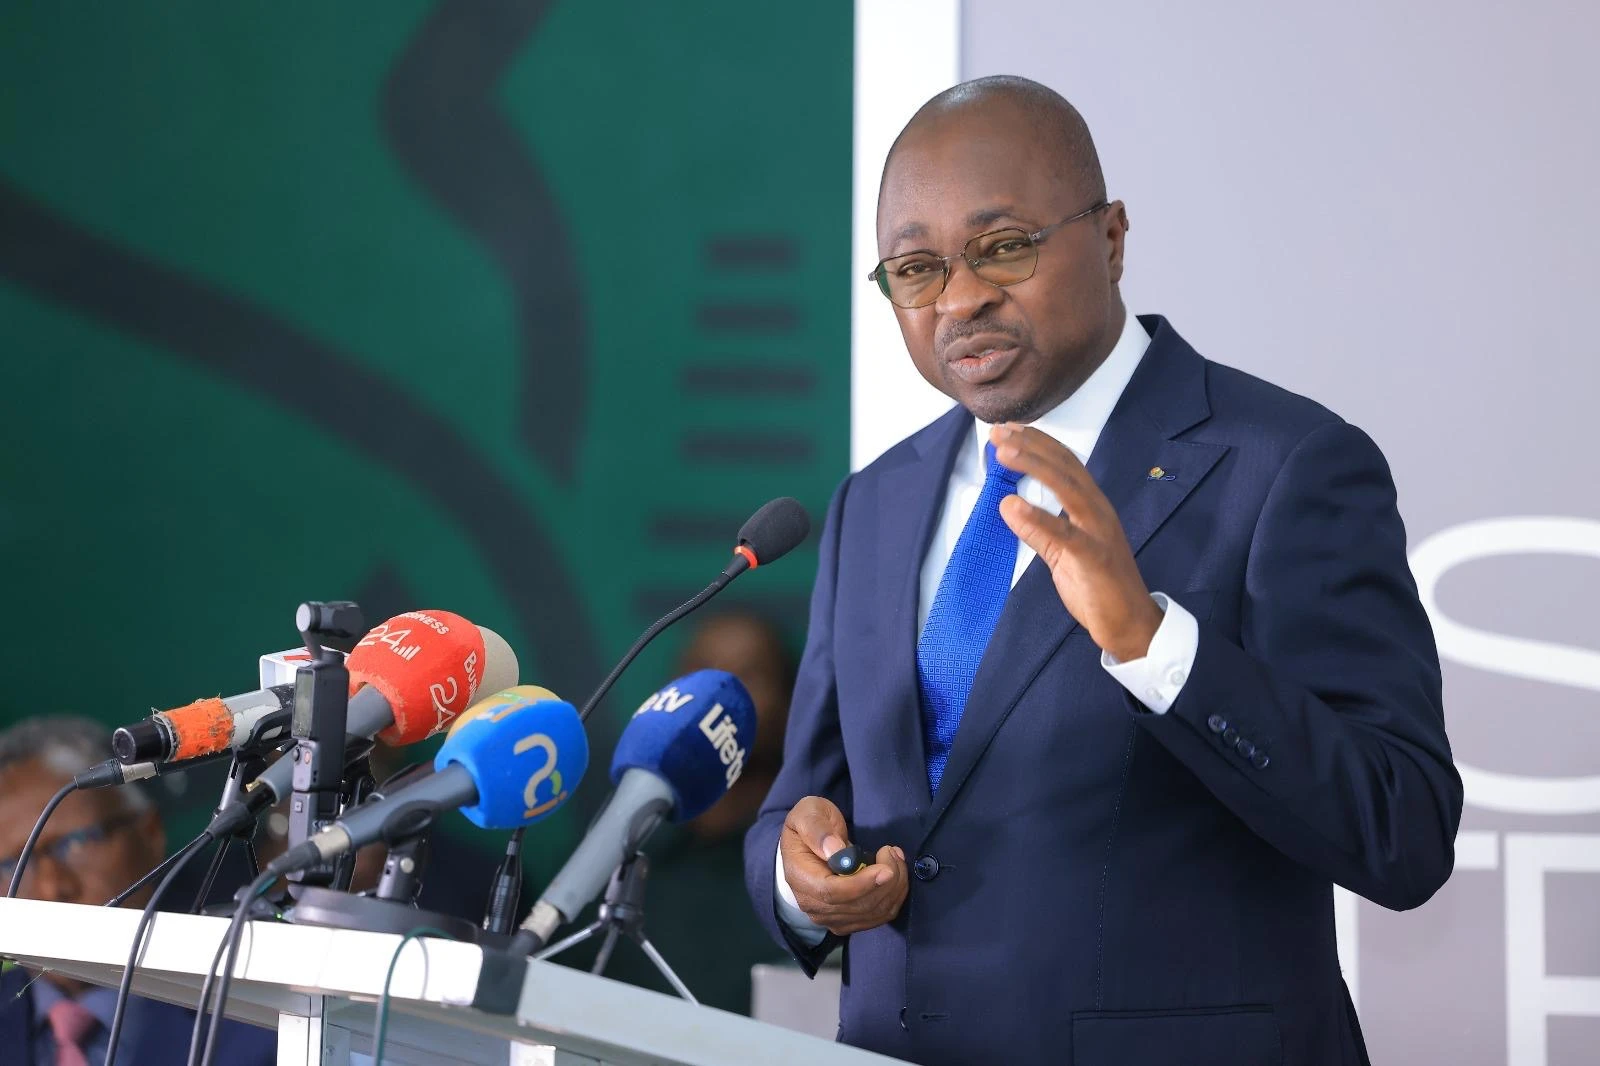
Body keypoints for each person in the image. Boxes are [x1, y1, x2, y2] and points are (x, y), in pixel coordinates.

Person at [743, 76, 1461, 1066]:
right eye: (914, 268)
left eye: (1004, 246)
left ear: (1112, 237)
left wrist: (1153, 644)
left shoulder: (1285, 465)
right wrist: (798, 877)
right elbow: (802, 800)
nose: (959, 298)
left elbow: (1401, 826)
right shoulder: (875, 501)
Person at [0, 716, 277, 1066]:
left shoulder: (266, 1023)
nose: (52, 887)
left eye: (76, 843)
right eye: (11, 863)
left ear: (150, 833)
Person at [561, 610, 796, 1013]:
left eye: (749, 676)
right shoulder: (615, 854)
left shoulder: (801, 869)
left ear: (789, 703)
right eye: (703, 674)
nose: (718, 700)